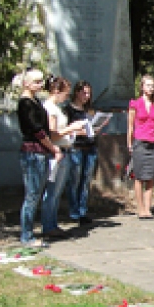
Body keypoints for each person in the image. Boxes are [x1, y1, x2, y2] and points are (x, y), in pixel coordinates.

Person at [17, 70, 65, 247]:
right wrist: (53, 148)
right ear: (26, 84)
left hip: (40, 152)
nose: (39, 85)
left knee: (36, 193)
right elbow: (38, 131)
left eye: (40, 82)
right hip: (33, 152)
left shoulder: (35, 101)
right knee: (32, 195)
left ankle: (29, 233)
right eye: (36, 82)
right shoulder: (26, 104)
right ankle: (27, 236)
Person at [41, 76, 86, 239]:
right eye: (65, 93)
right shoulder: (50, 109)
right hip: (56, 152)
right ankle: (48, 225)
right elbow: (52, 134)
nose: (67, 97)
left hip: (65, 149)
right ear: (56, 91)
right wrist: (71, 128)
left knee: (57, 191)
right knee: (52, 191)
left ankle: (52, 224)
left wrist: (74, 131)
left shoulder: (56, 108)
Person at [64, 80, 108, 225]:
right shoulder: (69, 110)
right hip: (76, 148)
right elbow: (67, 130)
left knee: (85, 181)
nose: (87, 96)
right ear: (76, 92)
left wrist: (99, 126)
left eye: (89, 93)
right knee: (74, 181)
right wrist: (84, 131)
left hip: (90, 148)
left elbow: (93, 131)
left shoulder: (89, 111)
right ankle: (73, 211)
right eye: (84, 92)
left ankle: (82, 211)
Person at [127, 75, 154, 220]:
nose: (150, 88)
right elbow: (130, 126)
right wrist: (129, 144)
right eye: (148, 85)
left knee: (150, 177)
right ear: (142, 87)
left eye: (153, 85)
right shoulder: (135, 104)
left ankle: (148, 208)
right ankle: (140, 208)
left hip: (153, 143)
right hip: (140, 142)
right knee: (139, 176)